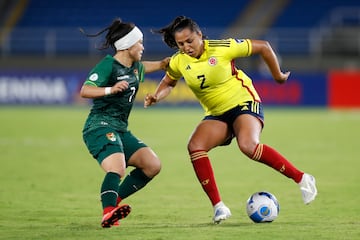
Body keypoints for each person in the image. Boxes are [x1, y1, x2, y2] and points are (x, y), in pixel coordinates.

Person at [144, 16, 318, 224]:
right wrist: (156, 96)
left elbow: (263, 46)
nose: (186, 47)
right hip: (217, 113)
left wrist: (278, 75)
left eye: (189, 41)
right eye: (181, 44)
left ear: (199, 34)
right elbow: (169, 83)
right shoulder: (179, 61)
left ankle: (302, 178)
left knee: (248, 146)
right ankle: (219, 207)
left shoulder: (222, 47)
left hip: (244, 102)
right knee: (195, 146)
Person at [80, 18, 169, 228]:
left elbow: (145, 66)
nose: (143, 47)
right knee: (117, 169)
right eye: (140, 42)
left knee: (152, 165)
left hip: (121, 128)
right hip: (99, 125)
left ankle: (114, 202)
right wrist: (110, 89)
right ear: (128, 45)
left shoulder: (135, 67)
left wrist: (164, 64)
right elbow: (85, 90)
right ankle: (108, 212)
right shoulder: (108, 65)